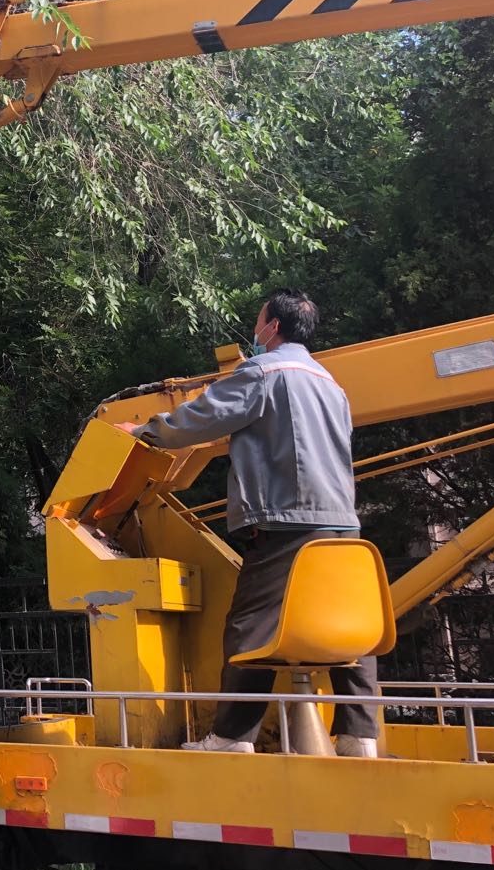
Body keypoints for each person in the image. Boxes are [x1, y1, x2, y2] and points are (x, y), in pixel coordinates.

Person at [115, 289, 379, 757]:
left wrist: (142, 432)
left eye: (258, 322)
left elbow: (201, 419)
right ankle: (361, 738)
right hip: (344, 524)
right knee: (351, 628)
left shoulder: (262, 372)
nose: (255, 331)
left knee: (250, 627)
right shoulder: (331, 384)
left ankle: (233, 737)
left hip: (287, 522)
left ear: (273, 327)